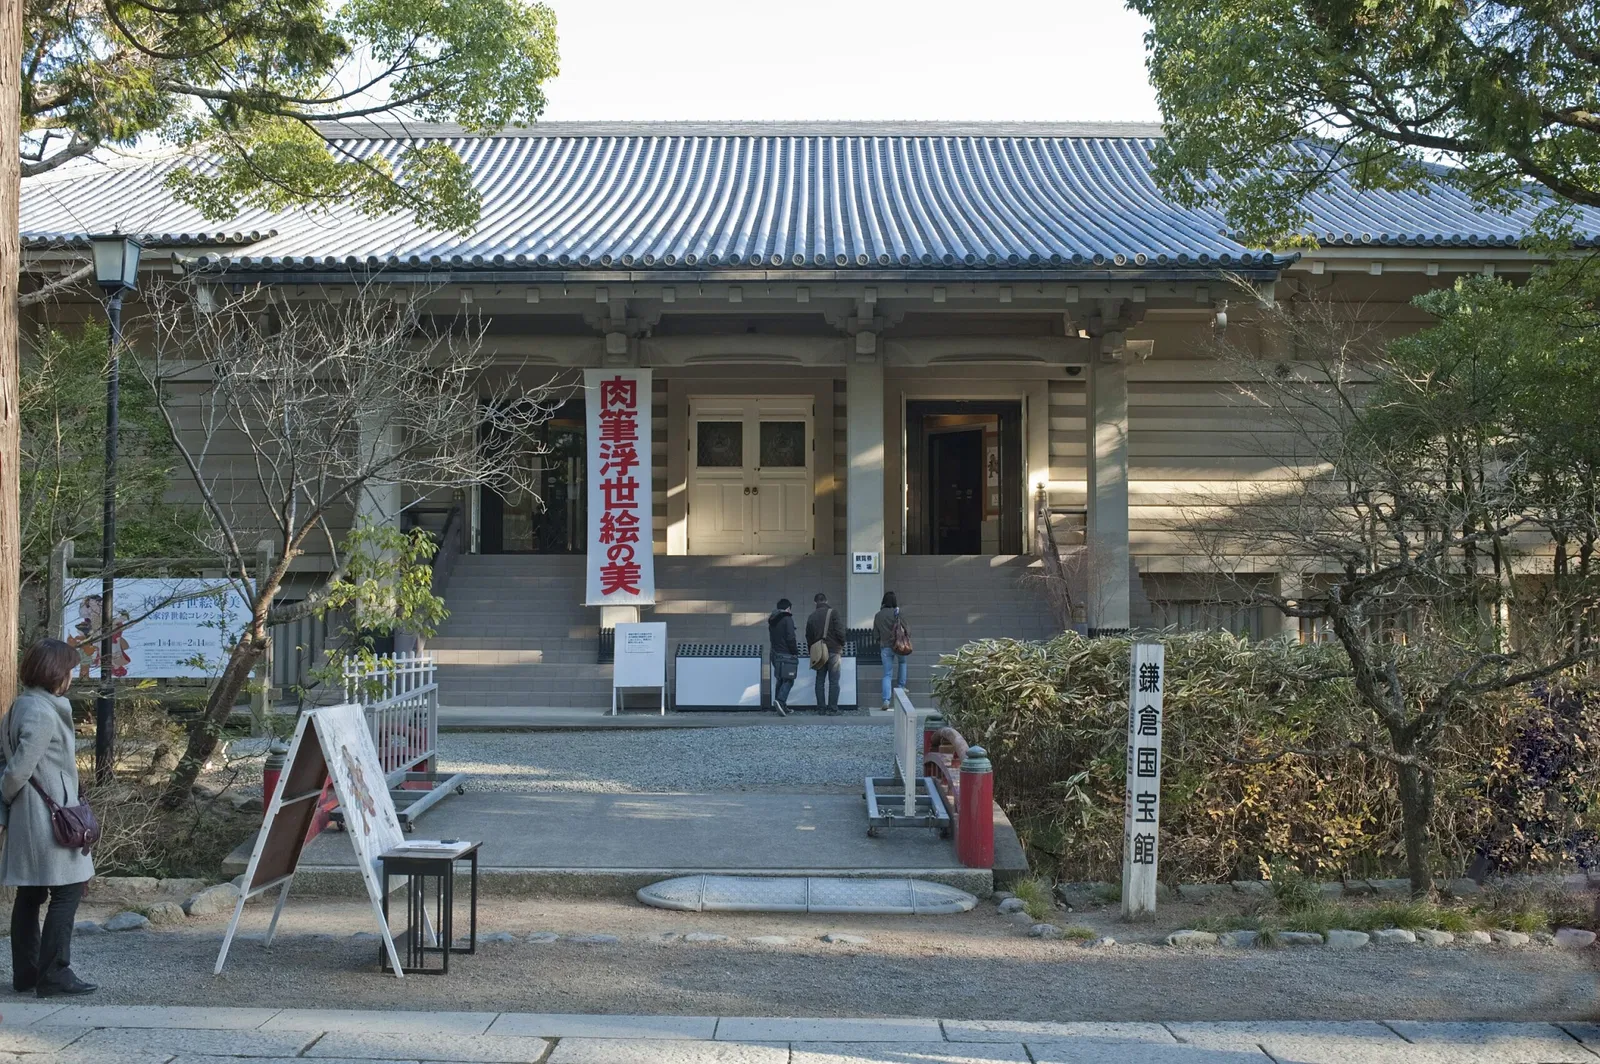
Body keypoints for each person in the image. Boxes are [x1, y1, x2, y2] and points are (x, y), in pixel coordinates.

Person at [2, 639, 98, 997]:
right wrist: (8, 793)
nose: (72, 675)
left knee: (30, 894)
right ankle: (54, 973)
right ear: (55, 672)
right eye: (69, 669)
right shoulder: (42, 712)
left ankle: (27, 973)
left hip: (32, 817)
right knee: (67, 891)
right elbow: (17, 769)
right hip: (49, 818)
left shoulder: (21, 705)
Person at [804, 592, 847, 715]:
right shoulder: (833, 613)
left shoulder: (811, 616)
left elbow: (808, 637)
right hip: (834, 650)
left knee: (820, 680)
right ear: (826, 601)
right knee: (834, 681)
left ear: (815, 602)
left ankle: (821, 708)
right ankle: (832, 708)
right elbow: (840, 631)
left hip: (819, 652)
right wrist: (842, 644)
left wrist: (812, 651)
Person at [874, 591, 910, 710]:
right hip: (899, 645)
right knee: (902, 662)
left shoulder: (878, 615)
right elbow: (907, 629)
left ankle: (886, 700)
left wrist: (881, 640)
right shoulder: (898, 613)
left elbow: (875, 634)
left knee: (887, 674)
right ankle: (901, 687)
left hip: (885, 647)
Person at [767, 598, 798, 716]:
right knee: (789, 679)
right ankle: (780, 701)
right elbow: (791, 637)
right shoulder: (787, 619)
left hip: (774, 653)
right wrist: (794, 652)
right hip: (785, 654)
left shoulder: (772, 619)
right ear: (788, 608)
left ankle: (781, 707)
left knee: (780, 679)